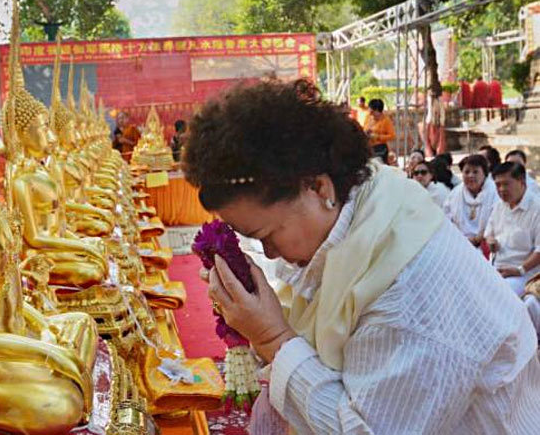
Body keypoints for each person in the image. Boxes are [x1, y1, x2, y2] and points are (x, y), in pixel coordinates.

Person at [183, 80, 540, 434]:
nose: (270, 253)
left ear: (318, 187)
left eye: (267, 235)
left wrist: (273, 337)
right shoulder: (373, 198)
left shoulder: (405, 296)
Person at [485, 162, 540, 297]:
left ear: (522, 182)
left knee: (498, 294)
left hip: (525, 274)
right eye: (498, 185)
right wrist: (491, 241)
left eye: (506, 184)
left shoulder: (536, 209)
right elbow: (488, 233)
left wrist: (520, 270)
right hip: (496, 268)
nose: (502, 189)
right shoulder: (499, 206)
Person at [443, 154, 498, 248]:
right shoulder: (455, 194)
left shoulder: (495, 192)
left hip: (487, 244)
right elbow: (446, 220)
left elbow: (498, 221)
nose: (470, 175)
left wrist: (478, 239)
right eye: (467, 172)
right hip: (459, 244)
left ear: (485, 174)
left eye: (475, 172)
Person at [363, 99, 395, 164]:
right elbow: (364, 128)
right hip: (369, 147)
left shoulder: (386, 121)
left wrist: (378, 137)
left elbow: (392, 136)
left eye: (372, 112)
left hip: (380, 148)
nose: (371, 114)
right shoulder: (368, 118)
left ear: (378, 110)